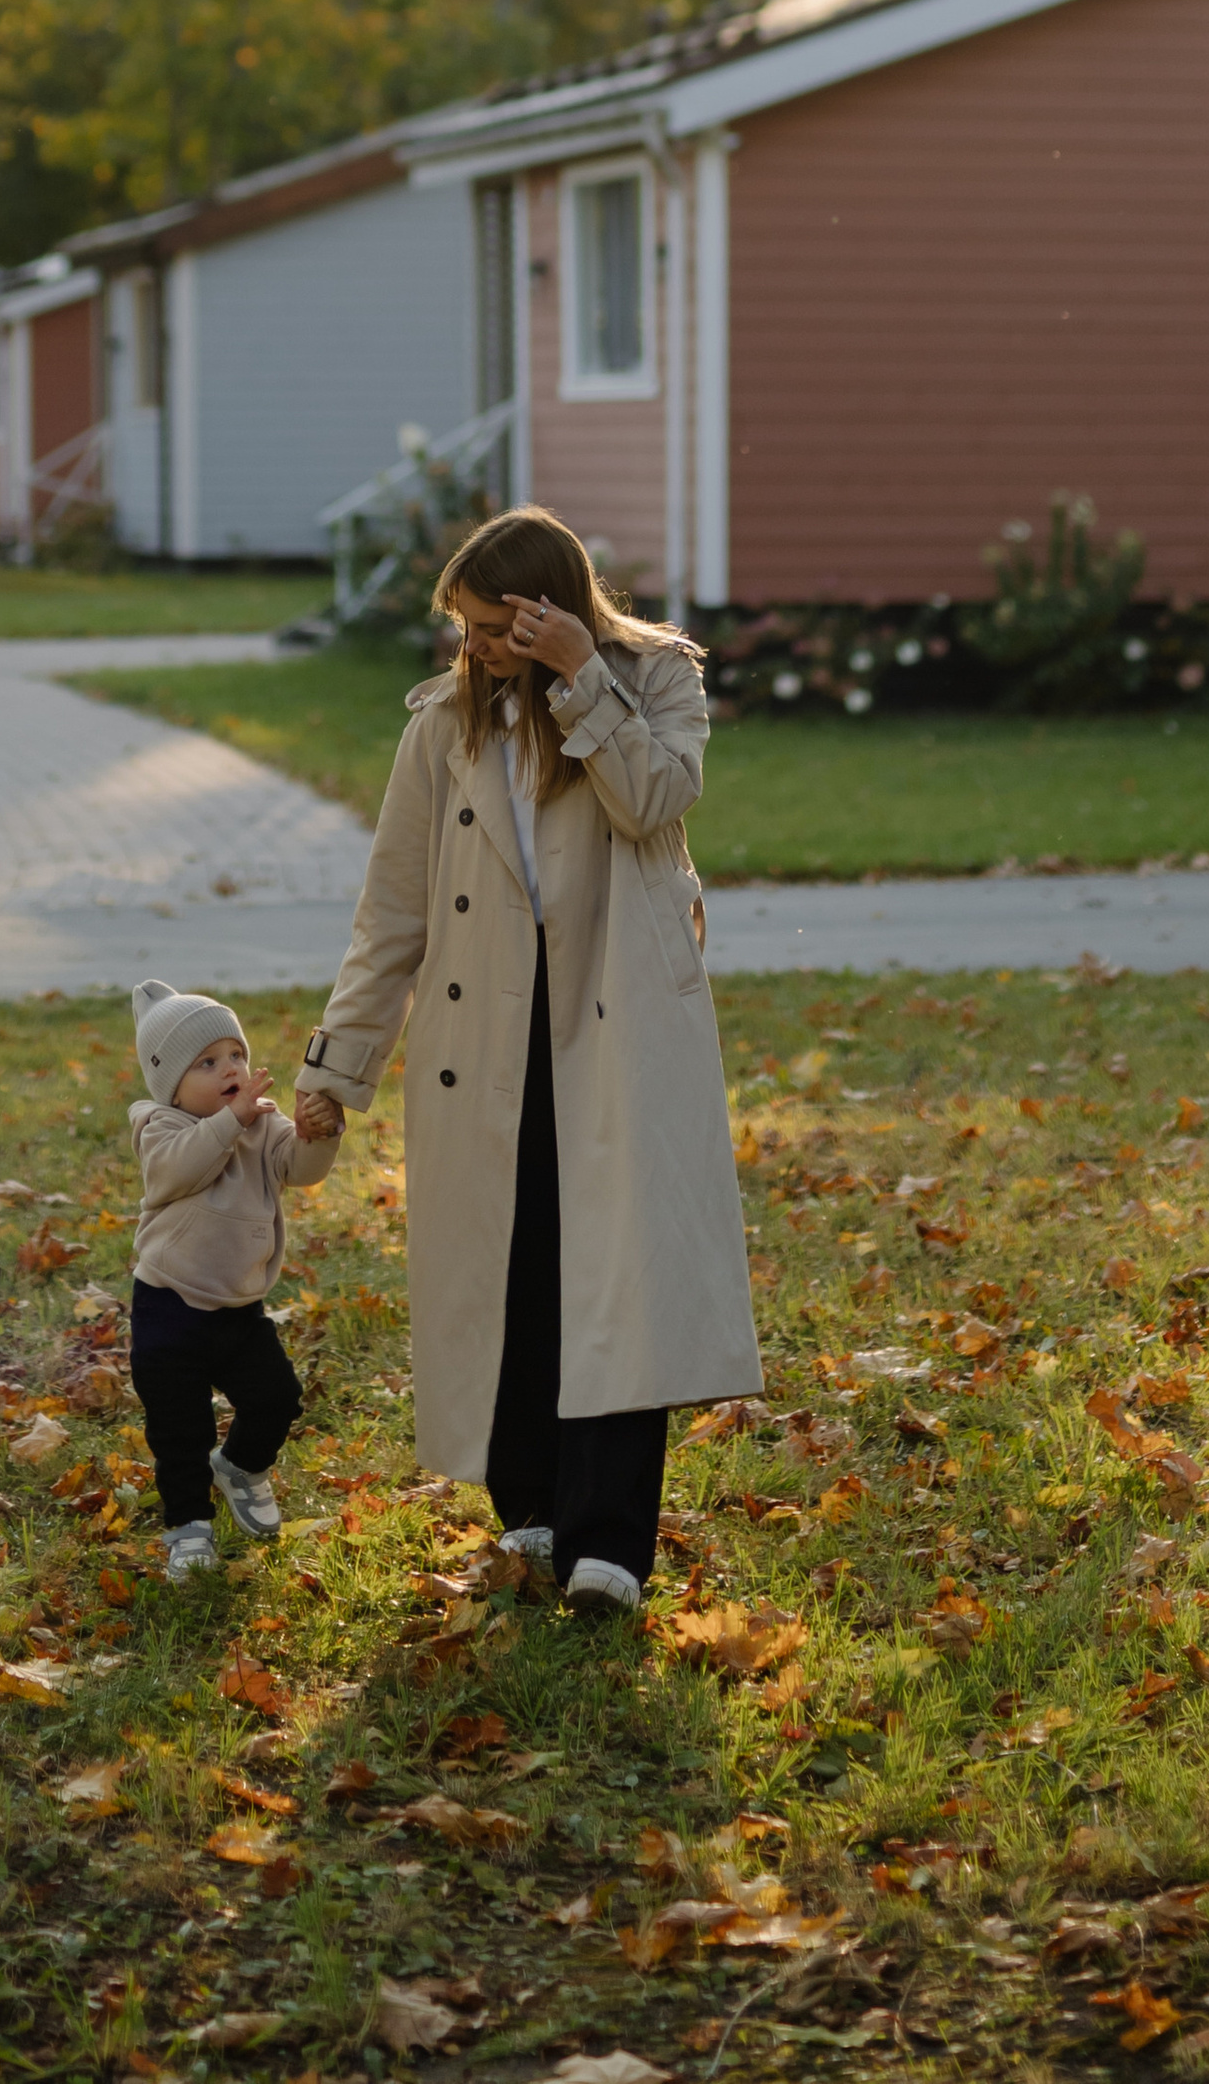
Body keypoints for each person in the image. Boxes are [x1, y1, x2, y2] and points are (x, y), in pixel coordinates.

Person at [294, 505, 762, 1612]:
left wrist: (580, 680)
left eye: (490, 627)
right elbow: (393, 915)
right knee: (513, 1264)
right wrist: (335, 1068)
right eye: (460, 628)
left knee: (617, 1273)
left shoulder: (655, 679)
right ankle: (532, 1513)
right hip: (481, 1031)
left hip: (617, 1020)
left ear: (543, 611)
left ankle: (611, 1546)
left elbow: (654, 803)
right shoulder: (441, 727)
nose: (471, 649)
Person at [128, 977, 344, 1581]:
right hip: (167, 1306)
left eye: (236, 1054)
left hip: (237, 1311)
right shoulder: (159, 1126)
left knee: (277, 1398)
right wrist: (231, 1120)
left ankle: (244, 1466)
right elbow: (182, 1169)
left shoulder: (261, 1123)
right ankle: (188, 1528)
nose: (230, 1068)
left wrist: (317, 1132)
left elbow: (298, 1167)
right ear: (171, 1083)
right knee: (179, 1429)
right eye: (207, 1062)